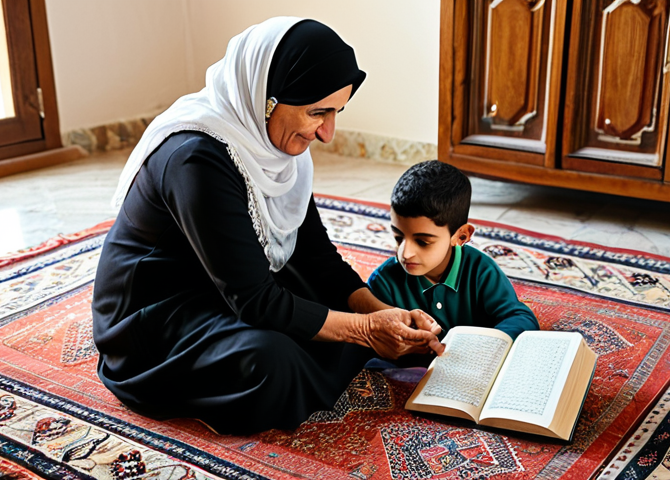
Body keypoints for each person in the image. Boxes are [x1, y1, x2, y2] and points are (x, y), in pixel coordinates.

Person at [92, 17, 443, 435]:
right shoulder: (195, 158)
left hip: (222, 283)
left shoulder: (275, 146)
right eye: (318, 113)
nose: (328, 134)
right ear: (265, 100)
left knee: (323, 301)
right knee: (272, 361)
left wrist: (386, 313)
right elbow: (256, 301)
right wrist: (365, 332)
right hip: (156, 314)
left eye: (336, 113)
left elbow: (316, 256)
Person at [368, 160, 540, 345]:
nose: (405, 253)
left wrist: (485, 345)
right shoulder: (384, 281)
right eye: (398, 237)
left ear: (461, 236)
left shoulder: (481, 271)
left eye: (423, 242)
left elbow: (521, 318)